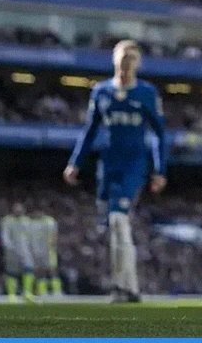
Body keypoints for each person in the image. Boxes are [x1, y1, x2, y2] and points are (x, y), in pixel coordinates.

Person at [63, 40, 168, 303]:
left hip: (134, 166)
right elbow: (89, 130)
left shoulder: (146, 93)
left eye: (132, 58)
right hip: (108, 167)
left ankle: (126, 287)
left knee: (119, 219)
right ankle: (126, 287)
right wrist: (75, 162)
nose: (126, 62)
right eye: (123, 57)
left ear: (138, 63)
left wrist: (159, 169)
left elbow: (159, 133)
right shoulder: (101, 92)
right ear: (114, 59)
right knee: (114, 225)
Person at [0, 202, 34, 302]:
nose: (18, 211)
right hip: (12, 251)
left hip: (25, 250)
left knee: (28, 269)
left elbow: (30, 236)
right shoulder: (7, 220)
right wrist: (9, 247)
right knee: (12, 272)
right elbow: (5, 235)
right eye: (16, 209)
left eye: (20, 209)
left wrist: (31, 248)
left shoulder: (27, 221)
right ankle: (11, 294)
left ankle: (27, 292)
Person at [28, 209, 62, 297]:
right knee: (39, 272)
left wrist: (53, 246)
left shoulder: (49, 221)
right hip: (36, 251)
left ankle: (57, 291)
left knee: (52, 270)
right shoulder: (31, 223)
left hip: (48, 251)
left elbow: (54, 235)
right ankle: (43, 292)